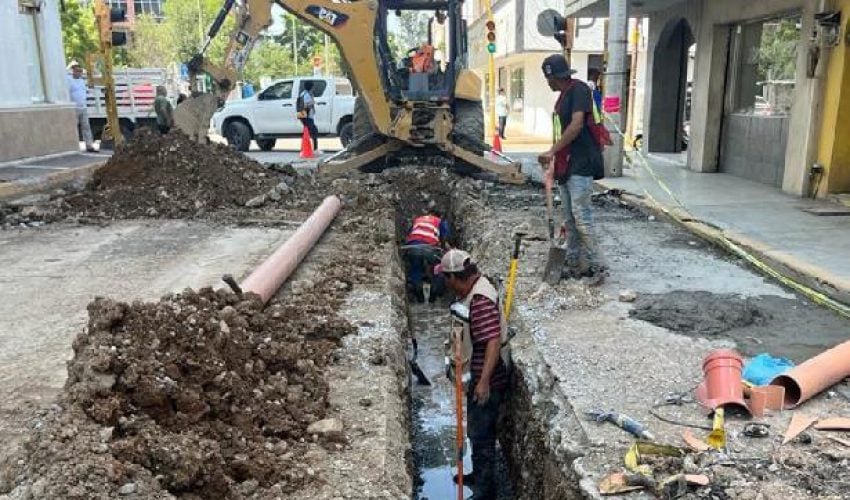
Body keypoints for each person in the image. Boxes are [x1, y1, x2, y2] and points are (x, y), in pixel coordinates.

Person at [441, 249, 510, 500]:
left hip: (487, 382)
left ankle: (484, 490)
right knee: (476, 433)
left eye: (446, 279)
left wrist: (482, 383)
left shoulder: (479, 301)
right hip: (479, 378)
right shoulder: (475, 291)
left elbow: (492, 341)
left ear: (455, 277)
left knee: (481, 437)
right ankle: (479, 476)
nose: (447, 285)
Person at [538, 54, 606, 280]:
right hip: (567, 164)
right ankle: (573, 261)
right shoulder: (563, 96)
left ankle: (597, 266)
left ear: (554, 77)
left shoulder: (579, 91)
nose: (546, 83)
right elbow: (562, 131)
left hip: (582, 162)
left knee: (581, 215)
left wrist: (552, 151)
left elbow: (576, 125)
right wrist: (553, 156)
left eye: (547, 78)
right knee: (569, 217)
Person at [405, 210, 450, 303]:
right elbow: (444, 239)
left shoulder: (418, 219)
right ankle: (433, 296)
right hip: (430, 246)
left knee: (415, 269)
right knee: (436, 268)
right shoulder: (440, 221)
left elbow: (409, 234)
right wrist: (444, 250)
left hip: (413, 246)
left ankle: (419, 295)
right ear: (439, 216)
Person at [67, 62, 96, 152]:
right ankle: (73, 146)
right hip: (74, 108)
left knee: (86, 126)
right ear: (73, 71)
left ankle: (89, 145)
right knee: (73, 127)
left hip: (83, 107)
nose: (79, 73)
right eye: (77, 71)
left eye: (80, 71)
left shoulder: (82, 81)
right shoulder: (69, 80)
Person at [297, 81, 320, 153]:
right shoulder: (307, 95)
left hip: (304, 116)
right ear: (311, 87)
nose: (314, 88)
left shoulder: (303, 93)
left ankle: (303, 149)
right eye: (313, 86)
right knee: (314, 131)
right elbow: (305, 105)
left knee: (307, 132)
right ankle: (314, 149)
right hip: (307, 117)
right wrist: (312, 103)